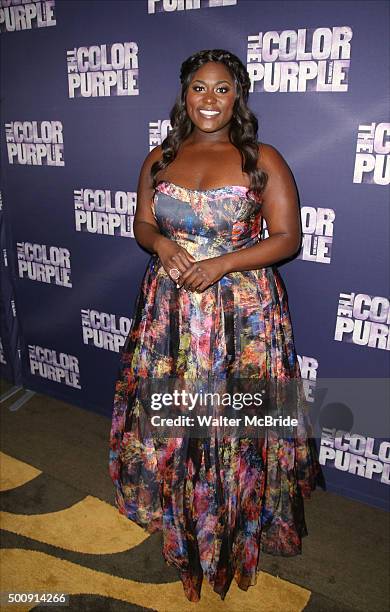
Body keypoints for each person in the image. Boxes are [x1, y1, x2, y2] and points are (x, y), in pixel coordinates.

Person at [109, 48, 325, 603]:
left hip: (242, 314)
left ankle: (232, 521)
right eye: (199, 88)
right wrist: (160, 245)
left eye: (222, 89)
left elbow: (286, 238)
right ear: (184, 95)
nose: (209, 100)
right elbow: (143, 221)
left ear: (239, 97)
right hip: (172, 309)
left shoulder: (263, 159)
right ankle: (181, 513)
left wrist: (223, 262)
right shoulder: (159, 157)